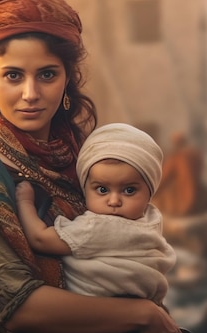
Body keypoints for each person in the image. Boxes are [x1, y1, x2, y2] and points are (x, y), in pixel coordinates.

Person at [0, 0, 188, 333]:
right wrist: (145, 315)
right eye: (13, 75)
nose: (31, 94)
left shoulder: (82, 162)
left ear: (66, 79)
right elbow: (15, 305)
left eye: (47, 74)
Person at [15, 123, 176, 304]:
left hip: (95, 308)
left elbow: (40, 239)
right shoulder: (152, 219)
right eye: (102, 189)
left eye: (129, 190)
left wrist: (25, 201)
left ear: (150, 192)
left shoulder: (98, 227)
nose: (114, 201)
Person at [154, 132, 204, 217]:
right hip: (199, 197)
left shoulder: (177, 158)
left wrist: (150, 193)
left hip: (185, 200)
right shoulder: (196, 155)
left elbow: (163, 179)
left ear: (175, 143)